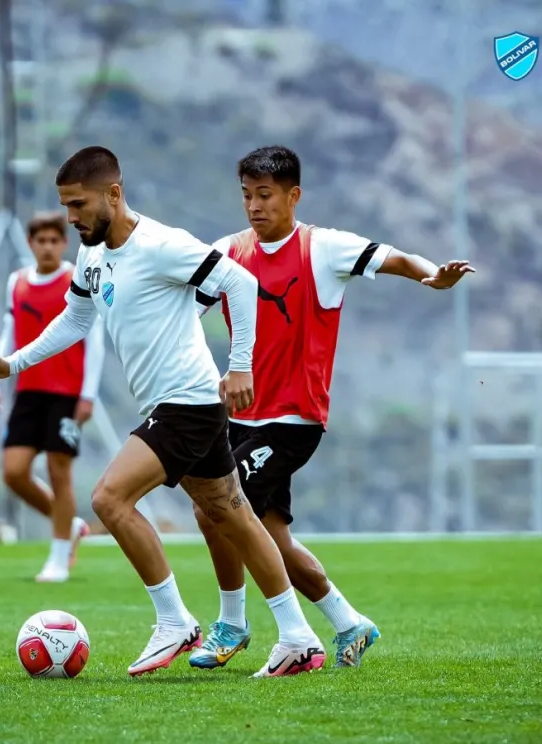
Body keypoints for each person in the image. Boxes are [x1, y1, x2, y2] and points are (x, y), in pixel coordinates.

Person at [0, 146, 325, 677]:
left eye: (78, 204)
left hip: (189, 402)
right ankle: (298, 637)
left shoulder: (163, 244)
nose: (70, 217)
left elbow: (240, 282)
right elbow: (74, 320)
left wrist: (241, 365)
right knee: (236, 516)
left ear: (113, 194)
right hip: (177, 405)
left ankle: (175, 621)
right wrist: (12, 362)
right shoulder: (91, 253)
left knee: (109, 498)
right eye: (64, 206)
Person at [188, 145, 475, 670]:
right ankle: (349, 623)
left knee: (217, 506)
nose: (254, 206)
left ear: (293, 196)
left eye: (266, 195)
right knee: (270, 536)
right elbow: (182, 305)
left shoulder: (323, 248)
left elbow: (395, 258)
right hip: (239, 420)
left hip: (294, 418)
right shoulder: (227, 252)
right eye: (247, 195)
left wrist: (432, 276)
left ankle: (236, 624)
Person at [0, 212, 104, 582]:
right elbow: (10, 331)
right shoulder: (16, 283)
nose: (48, 247)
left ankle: (57, 559)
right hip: (28, 391)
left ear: (64, 244)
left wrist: (88, 395)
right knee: (14, 472)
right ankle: (69, 525)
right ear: (31, 243)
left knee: (58, 470)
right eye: (41, 241)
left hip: (67, 393)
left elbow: (94, 341)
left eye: (55, 240)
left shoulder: (76, 278)